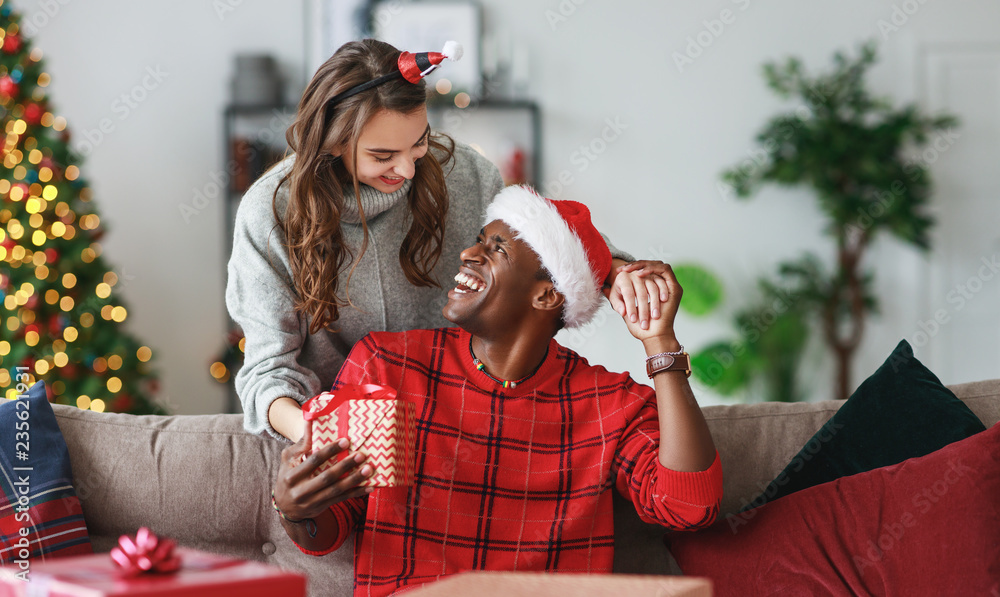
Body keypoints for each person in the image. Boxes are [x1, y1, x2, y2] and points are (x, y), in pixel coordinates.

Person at [271, 186, 723, 596]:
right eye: (479, 239)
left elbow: (688, 507)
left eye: (496, 249)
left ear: (546, 297)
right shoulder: (388, 367)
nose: (468, 253)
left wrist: (660, 344)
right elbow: (331, 528)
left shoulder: (610, 403)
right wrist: (296, 510)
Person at [226, 39, 659, 443]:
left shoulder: (464, 173)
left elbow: (544, 234)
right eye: (382, 156)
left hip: (462, 425)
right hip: (344, 439)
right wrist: (326, 436)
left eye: (419, 143)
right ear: (333, 141)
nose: (409, 170)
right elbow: (269, 371)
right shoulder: (270, 213)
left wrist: (617, 270)